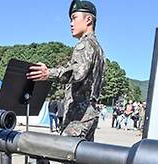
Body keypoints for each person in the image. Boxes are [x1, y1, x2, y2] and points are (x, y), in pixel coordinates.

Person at [27, 0, 105, 142]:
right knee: (79, 162)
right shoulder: (98, 48)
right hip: (89, 114)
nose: (71, 23)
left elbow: (78, 72)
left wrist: (48, 73)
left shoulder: (85, 44)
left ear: (88, 20)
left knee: (63, 156)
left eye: (74, 18)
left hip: (78, 117)